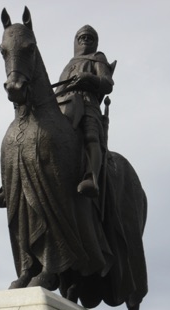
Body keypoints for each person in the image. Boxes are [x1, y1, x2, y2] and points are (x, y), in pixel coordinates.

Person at [55, 25, 114, 198]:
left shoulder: (98, 57)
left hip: (88, 102)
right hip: (63, 103)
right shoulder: (69, 64)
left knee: (91, 136)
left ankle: (91, 176)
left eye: (89, 37)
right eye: (81, 37)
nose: (85, 40)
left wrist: (88, 77)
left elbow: (107, 84)